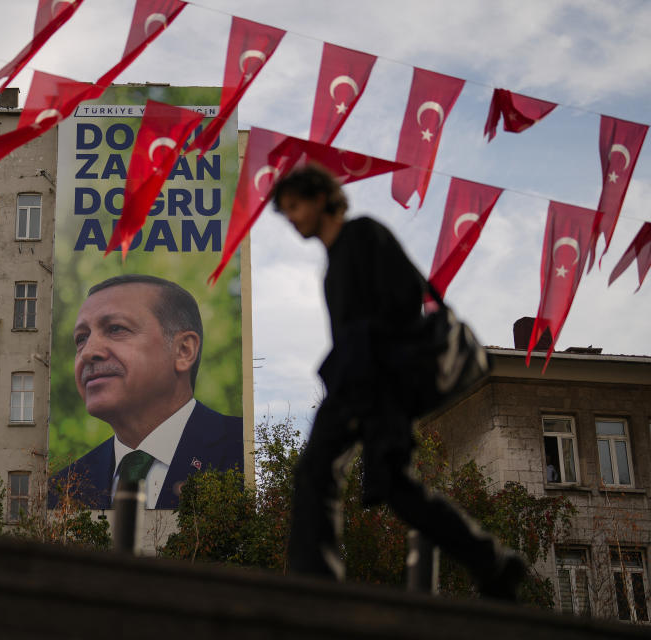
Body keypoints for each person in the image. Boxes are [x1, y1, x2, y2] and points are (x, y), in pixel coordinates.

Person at [272, 165, 526, 600]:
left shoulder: (365, 234)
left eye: (294, 206)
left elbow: (405, 299)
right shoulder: (333, 266)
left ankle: (314, 586)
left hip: (376, 385)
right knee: (390, 487)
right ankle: (494, 564)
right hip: (361, 386)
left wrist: (365, 364)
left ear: (319, 198)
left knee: (320, 473)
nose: (291, 218)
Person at [52, 274, 243, 510]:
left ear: (184, 350)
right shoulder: (62, 490)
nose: (88, 352)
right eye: (81, 338)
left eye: (115, 328)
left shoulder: (248, 451)